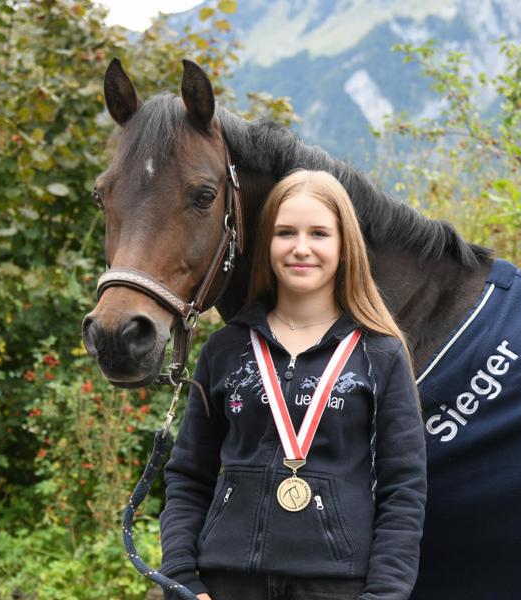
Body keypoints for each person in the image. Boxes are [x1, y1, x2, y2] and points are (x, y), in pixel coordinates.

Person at [159, 169, 427, 600]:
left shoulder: (380, 354)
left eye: (319, 233)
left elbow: (404, 490)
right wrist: (182, 580)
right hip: (225, 583)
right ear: (267, 244)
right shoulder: (224, 350)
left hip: (336, 586)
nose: (301, 248)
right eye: (286, 233)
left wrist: (385, 595)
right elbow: (188, 476)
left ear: (344, 246)